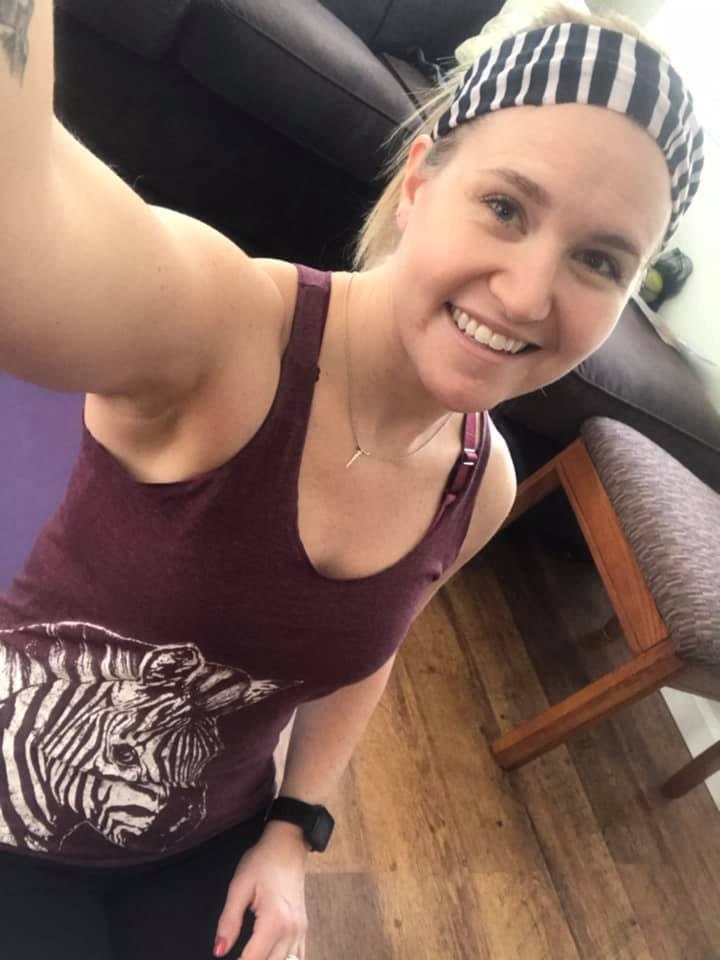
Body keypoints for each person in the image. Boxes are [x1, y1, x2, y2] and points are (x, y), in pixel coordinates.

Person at [0, 1, 704, 958]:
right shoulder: (225, 330)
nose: (529, 293)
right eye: (505, 207)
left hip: (201, 843)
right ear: (419, 181)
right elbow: (22, 227)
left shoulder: (481, 483)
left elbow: (368, 646)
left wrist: (295, 829)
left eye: (599, 260)